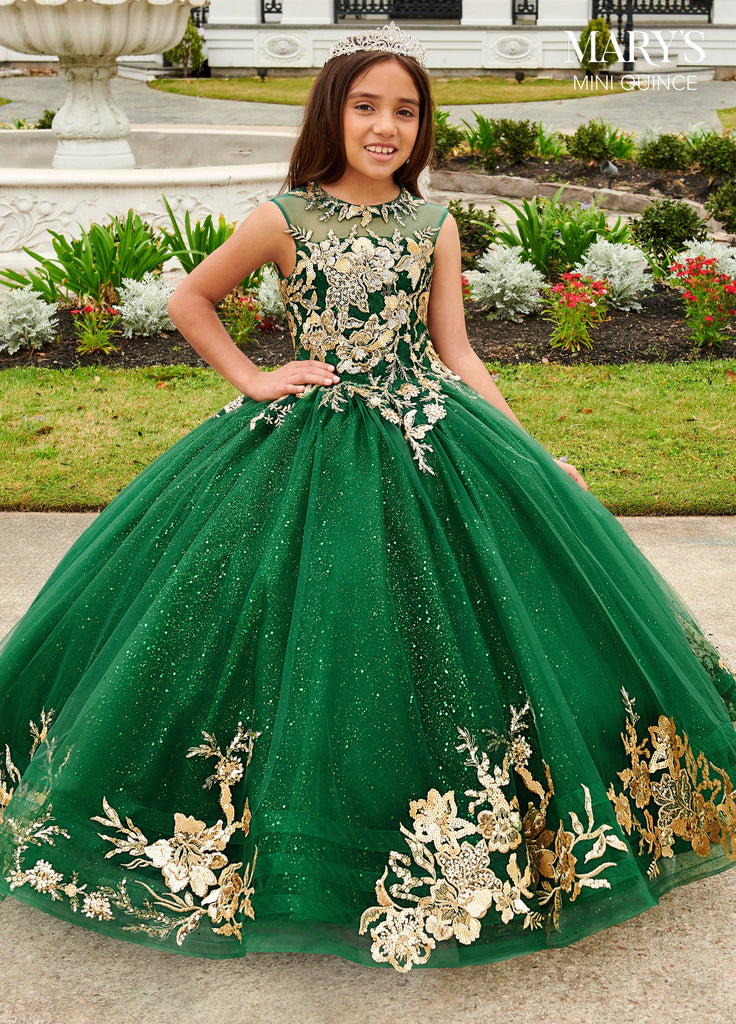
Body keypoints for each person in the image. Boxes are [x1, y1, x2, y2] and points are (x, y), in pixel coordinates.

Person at [0, 23, 734, 974]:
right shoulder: (285, 217)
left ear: (422, 127)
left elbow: (456, 351)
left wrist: (532, 453)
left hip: (429, 434)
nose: (387, 126)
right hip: (308, 441)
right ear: (332, 115)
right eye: (366, 106)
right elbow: (191, 299)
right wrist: (253, 378)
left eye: (406, 111)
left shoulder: (433, 225)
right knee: (291, 624)